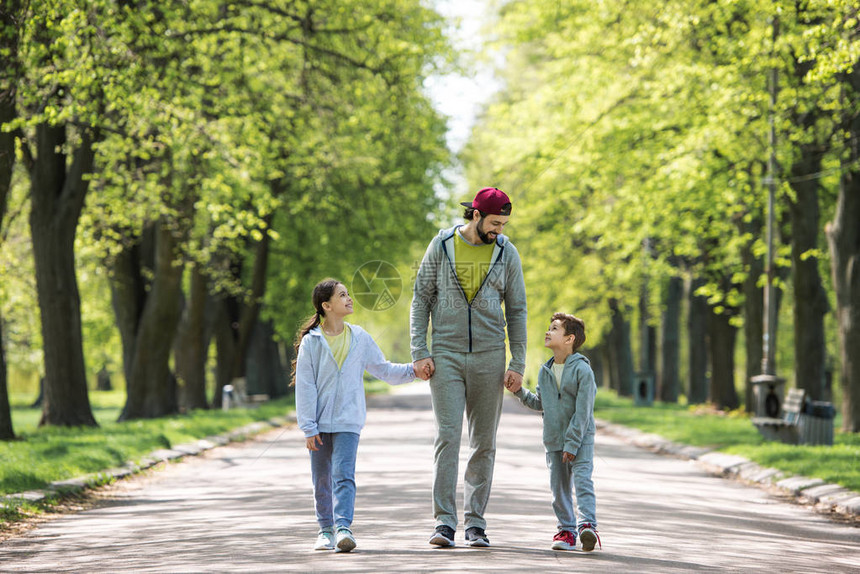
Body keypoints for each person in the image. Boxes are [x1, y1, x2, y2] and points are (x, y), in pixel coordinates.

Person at [410, 187, 527, 547]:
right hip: (444, 354)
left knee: (484, 443)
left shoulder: (507, 253)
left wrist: (518, 361)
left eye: (504, 224)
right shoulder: (442, 244)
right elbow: (421, 298)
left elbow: (517, 309)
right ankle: (444, 522)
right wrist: (420, 349)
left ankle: (475, 523)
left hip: (491, 356)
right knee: (447, 436)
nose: (500, 231)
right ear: (475, 216)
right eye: (495, 223)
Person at [292, 279, 418, 553]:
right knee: (321, 478)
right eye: (342, 295)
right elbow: (305, 386)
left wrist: (414, 370)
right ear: (326, 306)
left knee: (344, 475)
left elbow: (383, 369)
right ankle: (325, 530)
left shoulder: (359, 338)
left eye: (348, 294)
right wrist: (308, 427)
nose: (349, 299)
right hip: (319, 424)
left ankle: (343, 529)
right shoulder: (311, 342)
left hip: (349, 421)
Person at [507, 312, 600, 552]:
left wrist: (572, 443)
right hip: (554, 441)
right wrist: (518, 391)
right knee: (558, 489)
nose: (548, 332)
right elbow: (540, 403)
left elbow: (583, 412)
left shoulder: (583, 371)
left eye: (555, 328)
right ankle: (566, 532)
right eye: (549, 327)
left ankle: (587, 526)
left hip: (580, 441)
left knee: (582, 482)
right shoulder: (544, 371)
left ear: (569, 339)